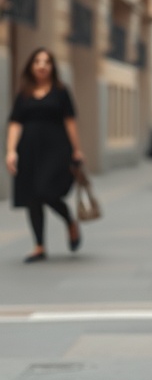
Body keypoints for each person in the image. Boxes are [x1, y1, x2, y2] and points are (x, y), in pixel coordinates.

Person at [5, 47, 83, 263]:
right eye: (37, 61)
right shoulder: (24, 93)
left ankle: (69, 221)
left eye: (46, 62)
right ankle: (39, 246)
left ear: (52, 67)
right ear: (31, 66)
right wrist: (11, 151)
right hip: (29, 150)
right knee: (32, 197)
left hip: (57, 149)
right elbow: (15, 123)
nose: (41, 65)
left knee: (46, 191)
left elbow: (70, 121)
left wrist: (77, 149)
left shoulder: (61, 91)